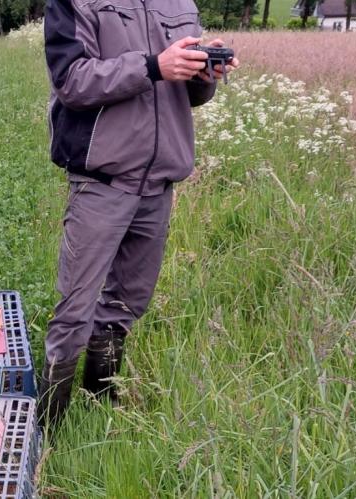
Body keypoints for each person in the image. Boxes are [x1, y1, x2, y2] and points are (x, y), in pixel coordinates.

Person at [39, 0, 240, 427]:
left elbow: (185, 93)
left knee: (126, 305)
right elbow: (70, 81)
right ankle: (47, 427)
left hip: (159, 183)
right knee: (75, 310)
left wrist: (204, 74)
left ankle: (98, 410)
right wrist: (151, 65)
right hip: (102, 181)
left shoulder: (180, 4)